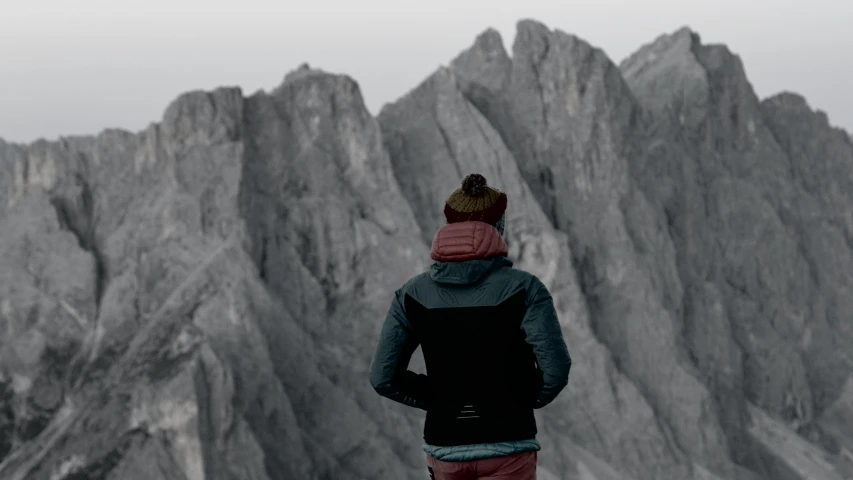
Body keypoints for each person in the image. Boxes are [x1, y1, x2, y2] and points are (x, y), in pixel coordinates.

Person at [370, 173, 572, 480]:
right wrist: (516, 399)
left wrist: (441, 397)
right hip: (509, 446)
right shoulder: (526, 289)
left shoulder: (411, 294)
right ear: (499, 226)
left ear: (450, 225)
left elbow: (383, 377)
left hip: (445, 446)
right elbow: (556, 370)